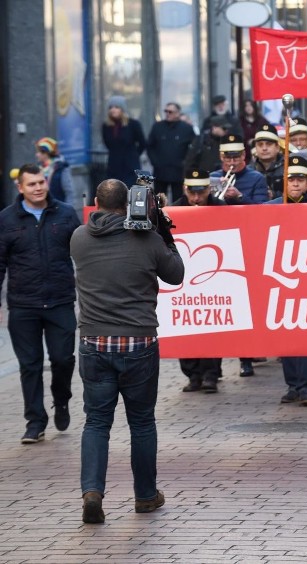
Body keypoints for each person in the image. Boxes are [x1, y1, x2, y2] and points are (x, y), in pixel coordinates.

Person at [71, 177, 184, 524]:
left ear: (94, 202)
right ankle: (145, 496)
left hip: (94, 342)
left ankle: (93, 491)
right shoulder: (148, 240)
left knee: (96, 422)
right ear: (130, 205)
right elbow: (176, 274)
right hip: (138, 343)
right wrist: (163, 229)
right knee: (142, 423)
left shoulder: (78, 238)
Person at [0, 163, 80, 444]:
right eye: (31, 184)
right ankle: (35, 421)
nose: (37, 188)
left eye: (41, 182)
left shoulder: (67, 214)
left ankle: (62, 399)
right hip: (23, 304)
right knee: (29, 365)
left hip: (60, 301)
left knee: (62, 359)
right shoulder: (6, 220)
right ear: (20, 187)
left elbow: (84, 253)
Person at [267, 156, 307, 406]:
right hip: (282, 277)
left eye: (300, 179)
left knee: (305, 334)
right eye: (291, 179)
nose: (295, 184)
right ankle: (293, 385)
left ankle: (306, 386)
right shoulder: (271, 207)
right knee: (286, 334)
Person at [210, 135, 269, 377]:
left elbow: (265, 210)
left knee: (245, 308)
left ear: (245, 156)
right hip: (219, 246)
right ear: (221, 158)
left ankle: (246, 360)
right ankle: (214, 366)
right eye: (227, 158)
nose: (232, 162)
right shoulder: (212, 177)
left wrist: (240, 198)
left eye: (236, 157)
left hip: (247, 246)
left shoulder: (256, 178)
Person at [173, 169, 226, 392]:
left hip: (213, 274)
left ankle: (211, 374)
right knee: (185, 325)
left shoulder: (220, 208)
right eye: (192, 193)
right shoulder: (174, 209)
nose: (196, 198)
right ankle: (192, 374)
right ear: (185, 189)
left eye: (201, 193)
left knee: (212, 326)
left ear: (209, 189)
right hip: (183, 276)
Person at [147, 102, 196, 202]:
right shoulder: (157, 127)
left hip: (179, 171)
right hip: (161, 170)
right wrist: (155, 162)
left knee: (178, 200)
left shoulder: (186, 128)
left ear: (178, 113)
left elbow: (194, 148)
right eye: (166, 111)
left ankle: (177, 218)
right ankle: (159, 217)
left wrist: (186, 163)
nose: (168, 114)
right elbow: (150, 146)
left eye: (171, 111)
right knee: (159, 201)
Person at [102, 95, 146, 188]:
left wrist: (134, 155)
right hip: (113, 166)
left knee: (131, 192)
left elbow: (143, 143)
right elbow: (107, 144)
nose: (113, 110)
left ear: (123, 109)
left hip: (130, 167)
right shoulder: (106, 126)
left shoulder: (133, 124)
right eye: (111, 107)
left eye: (116, 107)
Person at [34, 137, 74, 204]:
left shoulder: (61, 167)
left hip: (59, 209)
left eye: (38, 152)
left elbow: (69, 192)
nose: (36, 155)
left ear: (45, 153)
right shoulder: (39, 168)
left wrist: (68, 210)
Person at [249, 124, 284, 200]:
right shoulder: (249, 171)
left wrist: (274, 195)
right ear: (255, 147)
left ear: (277, 147)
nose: (264, 148)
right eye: (260, 145)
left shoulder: (289, 167)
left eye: (268, 144)